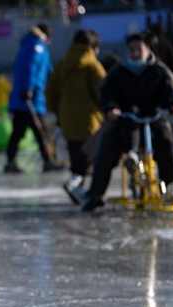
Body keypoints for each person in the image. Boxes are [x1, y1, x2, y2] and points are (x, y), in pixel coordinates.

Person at [81, 33, 173, 212]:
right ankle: (95, 194)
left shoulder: (159, 70)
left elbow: (171, 90)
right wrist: (112, 108)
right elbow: (107, 92)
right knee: (107, 150)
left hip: (154, 118)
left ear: (148, 50)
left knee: (167, 143)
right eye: (131, 49)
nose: (135, 53)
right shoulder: (119, 72)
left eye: (139, 49)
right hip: (126, 119)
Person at [45, 29, 106, 205]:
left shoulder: (62, 65)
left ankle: (79, 188)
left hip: (67, 120)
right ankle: (77, 186)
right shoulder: (93, 66)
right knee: (91, 158)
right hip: (90, 121)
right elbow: (103, 91)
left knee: (76, 155)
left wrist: (58, 112)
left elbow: (50, 90)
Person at [4, 24, 63, 174]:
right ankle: (47, 161)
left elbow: (48, 71)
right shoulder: (37, 47)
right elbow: (30, 68)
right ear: (46, 36)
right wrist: (28, 89)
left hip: (21, 100)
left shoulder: (29, 45)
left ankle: (10, 161)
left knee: (18, 133)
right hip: (31, 100)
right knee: (40, 132)